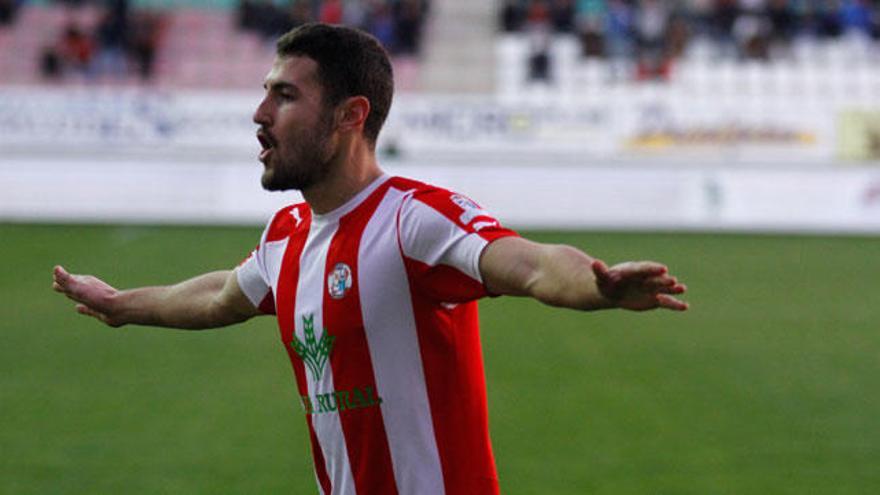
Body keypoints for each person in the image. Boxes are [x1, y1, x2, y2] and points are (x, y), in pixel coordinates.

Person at [52, 23, 688, 495]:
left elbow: (527, 263)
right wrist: (121, 305)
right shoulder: (287, 235)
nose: (260, 114)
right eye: (265, 94)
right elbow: (222, 297)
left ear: (350, 115)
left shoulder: (413, 218)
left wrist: (599, 286)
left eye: (285, 97)